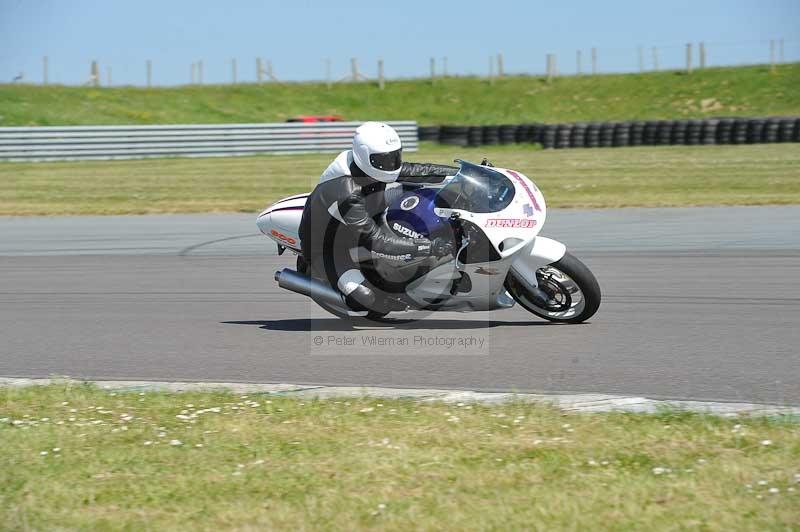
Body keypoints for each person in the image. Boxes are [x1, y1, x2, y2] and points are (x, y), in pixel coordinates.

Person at [299, 121, 457, 312]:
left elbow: (420, 171)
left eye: (394, 157)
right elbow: (376, 241)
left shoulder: (369, 166)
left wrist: (463, 174)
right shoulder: (346, 192)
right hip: (329, 248)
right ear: (364, 156)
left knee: (414, 193)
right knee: (368, 299)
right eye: (384, 160)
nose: (391, 165)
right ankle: (325, 278)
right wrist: (429, 247)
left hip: (362, 220)